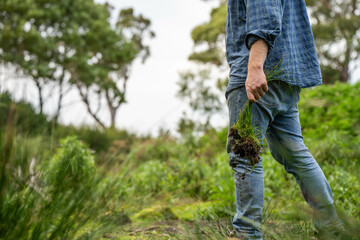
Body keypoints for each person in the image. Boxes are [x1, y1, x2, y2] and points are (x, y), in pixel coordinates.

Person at [225, 0, 344, 239]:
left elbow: (265, 14)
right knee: (295, 153)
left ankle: (246, 233)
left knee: (244, 154)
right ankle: (331, 228)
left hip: (261, 75)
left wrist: (255, 66)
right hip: (285, 76)